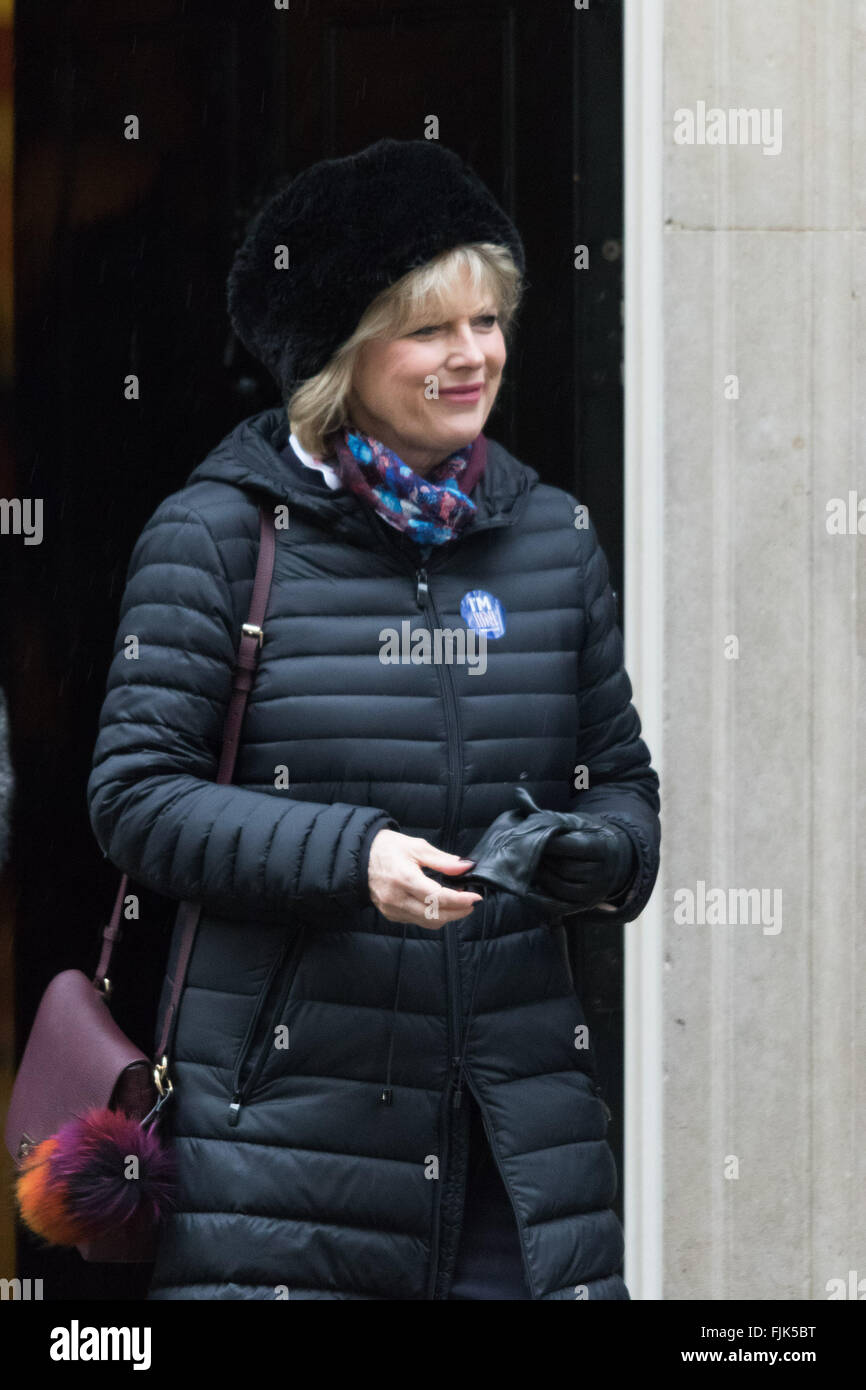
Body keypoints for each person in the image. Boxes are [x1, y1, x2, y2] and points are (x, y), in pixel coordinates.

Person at [87, 137, 660, 1300]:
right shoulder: (216, 535)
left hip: (519, 1152)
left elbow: (623, 786)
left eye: (487, 320)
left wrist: (597, 851)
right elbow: (135, 799)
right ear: (341, 359)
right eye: (429, 329)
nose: (473, 356)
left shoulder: (552, 535)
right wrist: (354, 858)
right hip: (283, 1167)